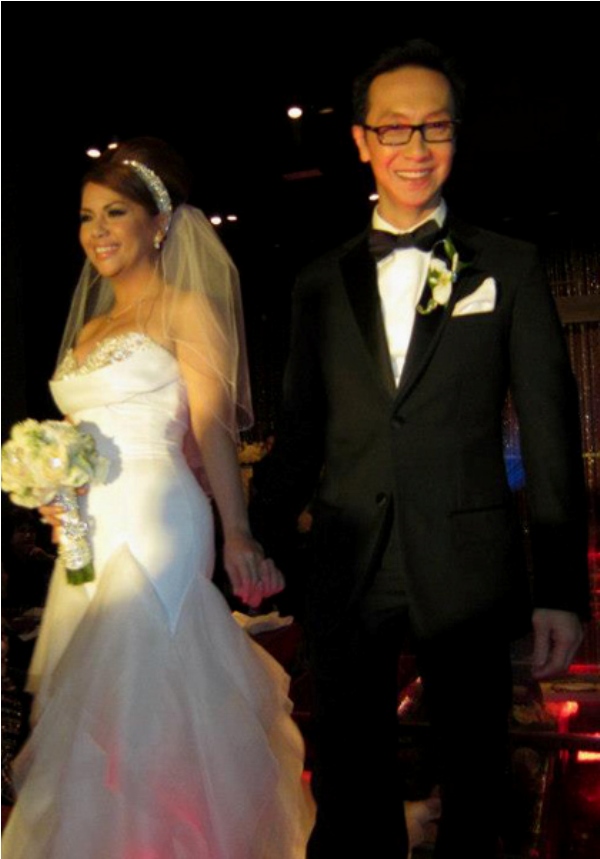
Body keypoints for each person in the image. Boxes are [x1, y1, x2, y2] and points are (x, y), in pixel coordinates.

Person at [250, 41, 590, 858]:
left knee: (476, 781)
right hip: (347, 562)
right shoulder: (320, 281)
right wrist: (251, 544)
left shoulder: (507, 265)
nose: (415, 146)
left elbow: (551, 434)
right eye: (394, 128)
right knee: (347, 781)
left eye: (434, 126)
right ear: (361, 140)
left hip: (468, 565)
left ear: (456, 135)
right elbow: (298, 433)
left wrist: (562, 591)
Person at [2, 138, 313, 857]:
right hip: (87, 530)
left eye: (115, 213)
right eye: (87, 217)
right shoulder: (89, 328)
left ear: (160, 222)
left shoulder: (186, 309)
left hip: (159, 518)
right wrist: (57, 487)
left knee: (150, 689)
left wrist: (238, 533)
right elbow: (84, 435)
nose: (98, 231)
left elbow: (210, 429)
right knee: (92, 703)